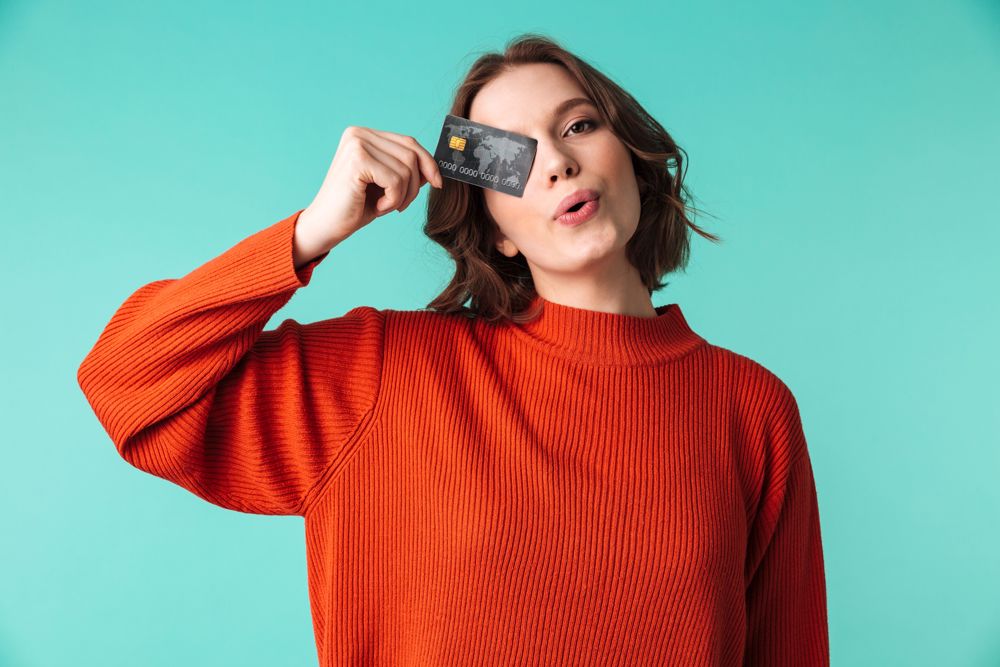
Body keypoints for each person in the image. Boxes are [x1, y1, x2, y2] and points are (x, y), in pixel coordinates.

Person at [77, 33, 829, 666]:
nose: (558, 163)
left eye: (577, 126)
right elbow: (124, 380)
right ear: (497, 230)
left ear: (631, 158)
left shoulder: (751, 408)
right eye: (515, 159)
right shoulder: (387, 373)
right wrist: (311, 233)